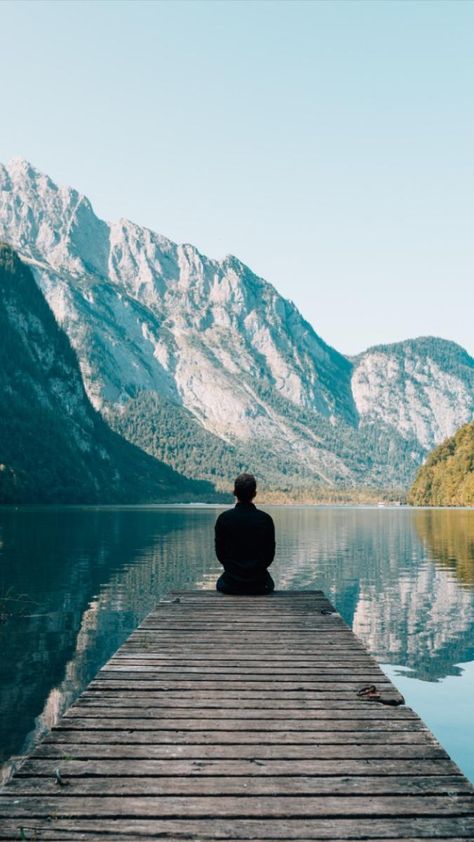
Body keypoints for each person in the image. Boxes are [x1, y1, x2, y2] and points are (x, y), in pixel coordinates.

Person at [215, 473, 275, 595]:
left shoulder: (223, 519)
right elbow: (270, 554)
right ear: (254, 494)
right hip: (260, 584)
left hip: (230, 584)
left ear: (234, 493)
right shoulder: (265, 519)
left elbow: (220, 553)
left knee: (221, 583)